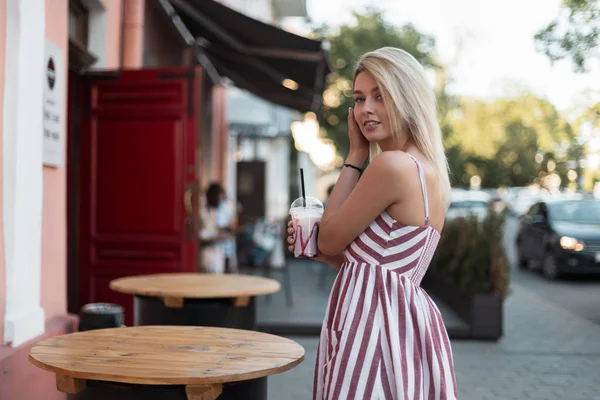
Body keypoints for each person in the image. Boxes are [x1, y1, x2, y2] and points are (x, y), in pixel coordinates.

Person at [287, 47, 458, 399]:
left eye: (380, 96)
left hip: (372, 328)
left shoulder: (391, 165)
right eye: (360, 98)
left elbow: (330, 240)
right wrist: (323, 250)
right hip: (402, 325)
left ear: (407, 98)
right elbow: (375, 267)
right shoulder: (429, 172)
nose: (366, 109)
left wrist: (355, 155)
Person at [199, 182, 238, 274]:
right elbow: (206, 233)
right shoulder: (205, 212)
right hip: (210, 250)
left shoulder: (224, 208)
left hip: (224, 250)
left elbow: (229, 227)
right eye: (221, 195)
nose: (223, 197)